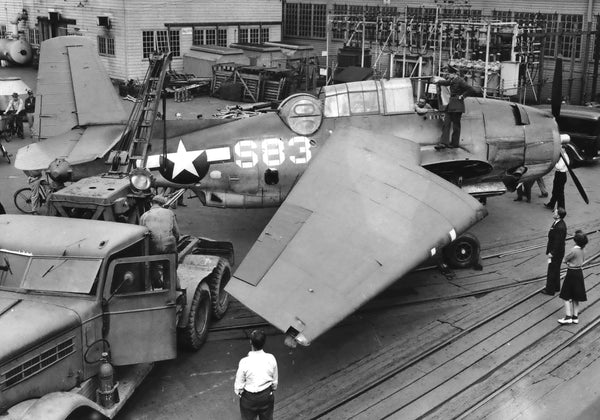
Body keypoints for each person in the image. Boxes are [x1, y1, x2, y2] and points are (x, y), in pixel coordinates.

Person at [234, 329, 278, 420]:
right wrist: (270, 390)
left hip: (248, 398)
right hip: (266, 395)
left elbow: (238, 386)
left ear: (251, 342)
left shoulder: (244, 362)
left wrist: (242, 394)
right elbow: (274, 382)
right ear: (263, 342)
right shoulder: (271, 358)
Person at [433, 65, 476, 149]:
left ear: (454, 74)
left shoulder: (460, 81)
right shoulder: (452, 80)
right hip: (451, 104)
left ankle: (454, 144)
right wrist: (438, 82)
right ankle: (443, 143)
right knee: (446, 123)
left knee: (456, 126)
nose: (448, 76)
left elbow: (471, 89)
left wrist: (462, 96)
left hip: (457, 105)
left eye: (449, 74)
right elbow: (446, 82)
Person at [557, 230, 589, 324]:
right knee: (576, 296)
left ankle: (568, 317)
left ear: (576, 240)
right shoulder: (583, 249)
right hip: (579, 272)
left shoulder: (574, 250)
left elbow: (564, 260)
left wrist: (568, 262)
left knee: (565, 295)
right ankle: (575, 317)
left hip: (571, 273)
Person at [541, 207, 567, 296]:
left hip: (556, 253)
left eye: (555, 212)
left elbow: (557, 242)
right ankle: (556, 286)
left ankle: (549, 290)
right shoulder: (559, 223)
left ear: (558, 215)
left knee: (551, 270)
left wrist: (552, 253)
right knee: (556, 269)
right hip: (558, 251)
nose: (554, 213)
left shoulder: (559, 227)